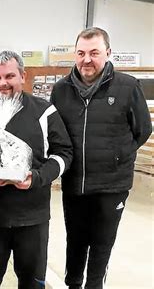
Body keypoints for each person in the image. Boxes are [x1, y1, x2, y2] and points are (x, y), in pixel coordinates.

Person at [50, 27, 152, 289]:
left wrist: (119, 156)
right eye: (81, 53)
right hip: (75, 185)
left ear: (108, 53)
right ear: (75, 55)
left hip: (111, 187)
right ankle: (73, 284)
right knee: (75, 244)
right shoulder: (61, 91)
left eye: (94, 53)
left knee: (101, 246)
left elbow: (143, 129)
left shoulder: (128, 87)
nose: (87, 59)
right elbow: (55, 134)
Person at [0, 51, 73, 288]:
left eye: (10, 76)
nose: (2, 83)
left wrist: (38, 177)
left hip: (33, 219)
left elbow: (64, 154)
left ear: (23, 76)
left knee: (32, 283)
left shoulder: (44, 112)